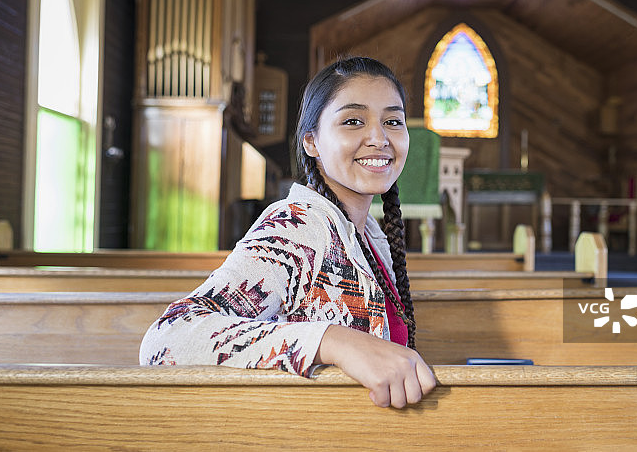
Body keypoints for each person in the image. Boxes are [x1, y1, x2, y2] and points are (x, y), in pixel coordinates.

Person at [139, 56, 436, 408]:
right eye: (353, 121)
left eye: (393, 121)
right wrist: (333, 341)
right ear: (311, 142)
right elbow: (168, 339)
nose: (379, 138)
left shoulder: (368, 233)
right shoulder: (298, 225)